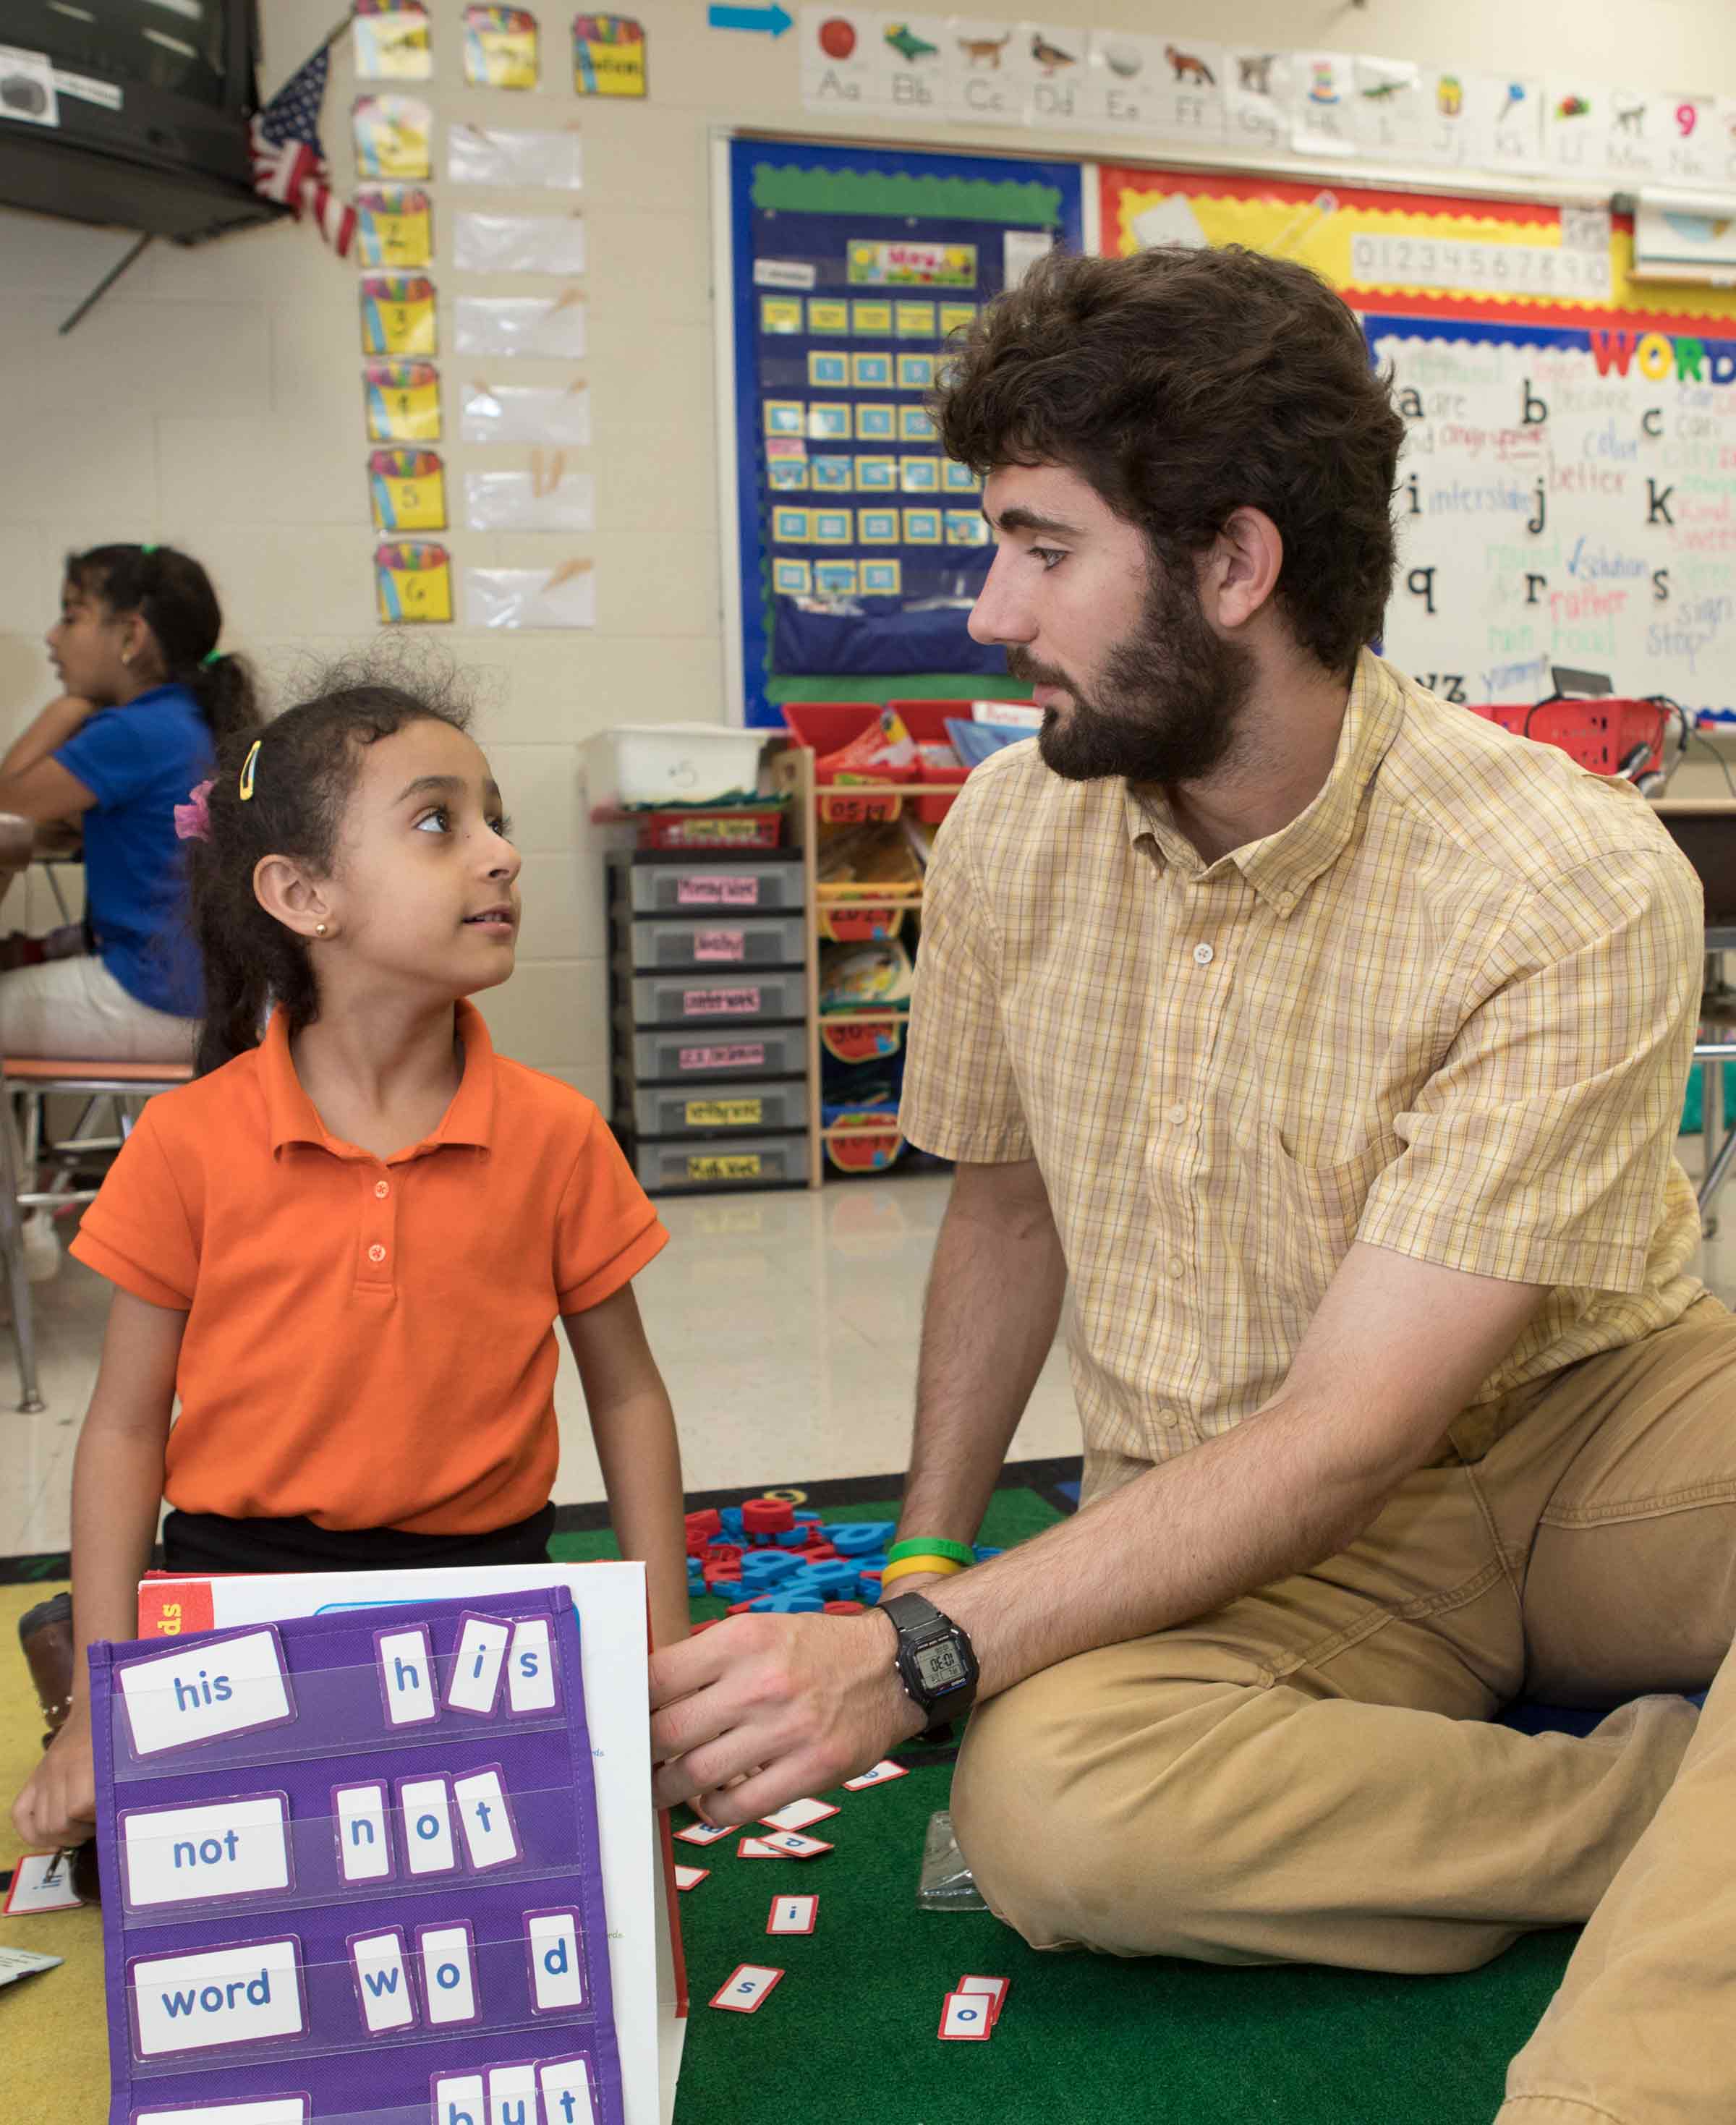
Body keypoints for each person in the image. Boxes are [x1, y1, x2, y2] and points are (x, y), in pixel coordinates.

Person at [647, 244, 1736, 2123]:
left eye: (1042, 548)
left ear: (1236, 567)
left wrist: (907, 1657)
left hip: (1585, 1441)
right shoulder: (1003, 834)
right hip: (1270, 1524)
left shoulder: (1568, 876)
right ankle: (1645, 1797)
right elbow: (1004, 1215)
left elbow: (1356, 1422)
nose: (988, 608)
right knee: (1055, 1817)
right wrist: (926, 1553)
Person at [12, 670, 689, 1856]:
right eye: (439, 822)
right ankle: (81, 1656)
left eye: (496, 819)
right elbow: (124, 1426)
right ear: (301, 893)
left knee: (499, 1891)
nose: (499, 854)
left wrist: (662, 1659)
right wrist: (107, 1701)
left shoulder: (558, 1133)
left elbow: (627, 1394)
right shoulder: (186, 1141)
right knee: (214, 1905)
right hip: (237, 1600)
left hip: (482, 1602)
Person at [0, 542, 261, 1062]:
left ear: (130, 635)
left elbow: (9, 800)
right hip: (208, 996)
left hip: (158, 999)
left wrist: (69, 704)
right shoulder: (187, 718)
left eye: (71, 617)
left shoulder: (132, 731)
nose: (52, 638)